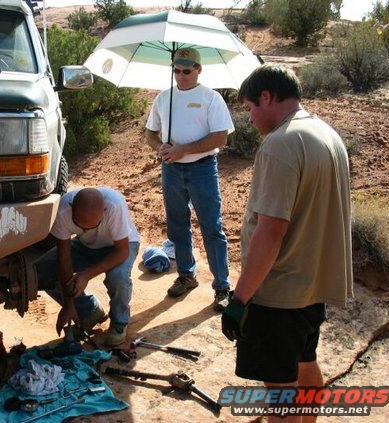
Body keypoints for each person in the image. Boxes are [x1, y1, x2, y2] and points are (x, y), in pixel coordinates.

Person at [221, 65, 353, 423]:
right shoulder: (324, 132)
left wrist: (240, 299)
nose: (248, 118)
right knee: (305, 362)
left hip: (280, 293)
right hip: (312, 286)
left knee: (280, 391)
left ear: (267, 97)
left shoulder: (280, 144)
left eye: (249, 107)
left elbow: (271, 231)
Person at [145, 47, 234, 311]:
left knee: (211, 226)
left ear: (198, 70)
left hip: (203, 168)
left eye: (186, 71)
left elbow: (221, 137)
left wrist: (183, 149)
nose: (181, 76)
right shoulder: (163, 98)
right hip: (171, 169)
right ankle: (186, 275)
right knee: (177, 224)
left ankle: (222, 287)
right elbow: (150, 133)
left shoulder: (211, 98)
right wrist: (159, 147)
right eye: (176, 71)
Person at [36, 187, 140, 346]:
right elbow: (63, 258)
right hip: (85, 245)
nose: (84, 230)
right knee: (41, 271)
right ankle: (88, 311)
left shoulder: (115, 205)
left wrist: (86, 275)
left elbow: (122, 252)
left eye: (90, 226)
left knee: (118, 277)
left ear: (104, 211)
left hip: (119, 246)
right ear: (71, 207)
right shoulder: (62, 210)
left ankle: (119, 323)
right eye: (79, 225)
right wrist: (68, 304)